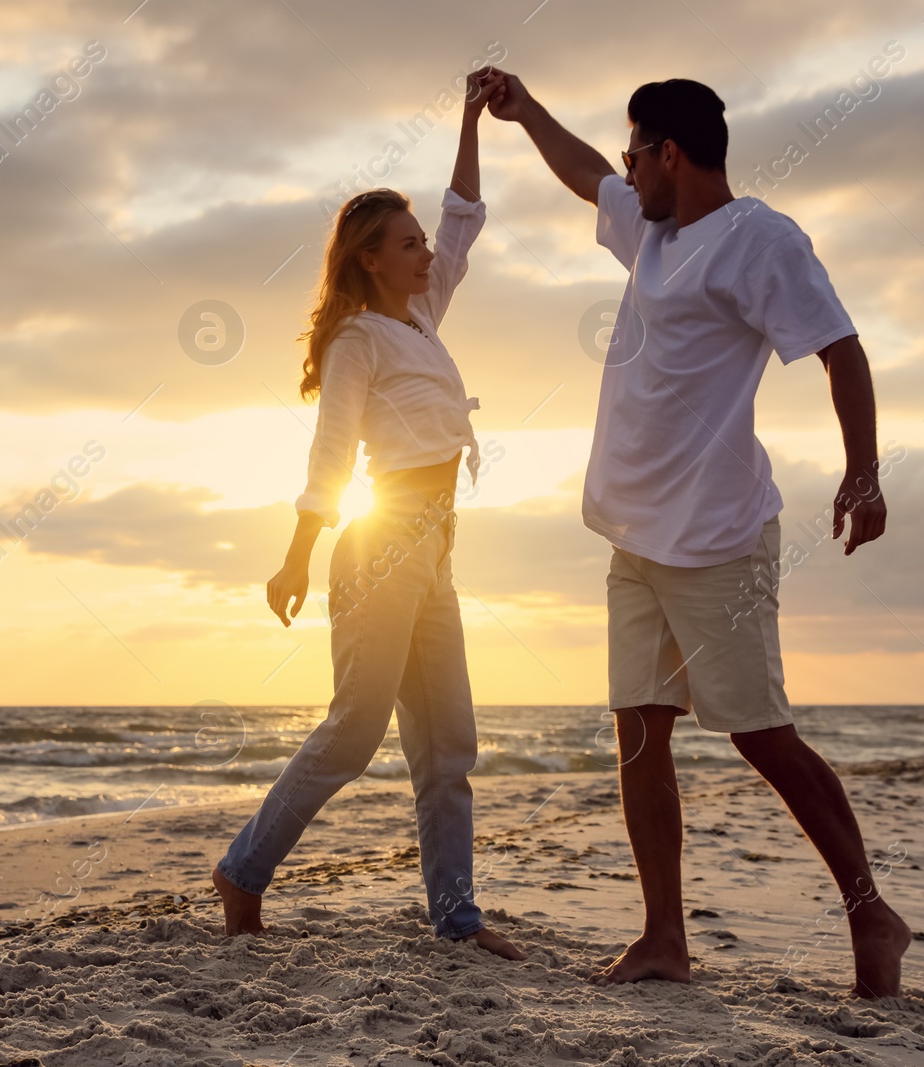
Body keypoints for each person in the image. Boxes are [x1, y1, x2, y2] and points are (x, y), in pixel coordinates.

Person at [484, 72, 911, 997]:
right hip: (633, 536)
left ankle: (871, 911)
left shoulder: (758, 238)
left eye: (637, 153)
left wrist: (864, 472)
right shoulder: (649, 231)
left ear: (671, 153)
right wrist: (523, 113)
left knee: (761, 734)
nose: (626, 171)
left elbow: (840, 346)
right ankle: (664, 936)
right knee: (639, 731)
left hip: (718, 535)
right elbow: (585, 172)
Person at [213, 69, 524, 962]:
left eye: (425, 242)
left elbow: (464, 214)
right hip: (382, 546)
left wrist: (470, 116)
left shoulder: (422, 318)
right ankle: (243, 869)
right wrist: (296, 556)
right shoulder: (358, 341)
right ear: (370, 259)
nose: (428, 252)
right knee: (354, 729)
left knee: (448, 743)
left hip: (437, 550)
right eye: (409, 243)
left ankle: (456, 917)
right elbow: (331, 455)